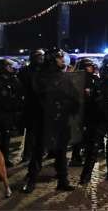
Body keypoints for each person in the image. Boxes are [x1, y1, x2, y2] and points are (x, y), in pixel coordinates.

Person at [22, 49, 77, 193]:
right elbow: (37, 97)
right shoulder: (40, 76)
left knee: (61, 152)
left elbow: (72, 96)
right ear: (52, 59)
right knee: (39, 151)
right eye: (59, 58)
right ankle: (31, 180)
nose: (62, 60)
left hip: (60, 121)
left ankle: (63, 181)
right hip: (44, 120)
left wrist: (72, 105)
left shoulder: (64, 76)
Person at [0, 59, 24, 167]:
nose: (12, 68)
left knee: (6, 137)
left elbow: (19, 94)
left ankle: (5, 158)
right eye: (9, 66)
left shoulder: (14, 80)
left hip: (8, 113)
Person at [69, 58, 99, 167]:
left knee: (90, 135)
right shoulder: (76, 79)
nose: (91, 68)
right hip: (79, 111)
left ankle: (87, 155)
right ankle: (75, 157)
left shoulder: (94, 78)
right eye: (88, 66)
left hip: (92, 110)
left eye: (91, 66)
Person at [18, 49, 45, 163]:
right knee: (31, 132)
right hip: (30, 105)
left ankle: (40, 152)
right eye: (39, 56)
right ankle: (27, 155)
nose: (41, 59)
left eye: (42, 56)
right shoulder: (25, 71)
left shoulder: (45, 70)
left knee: (42, 131)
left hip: (43, 105)